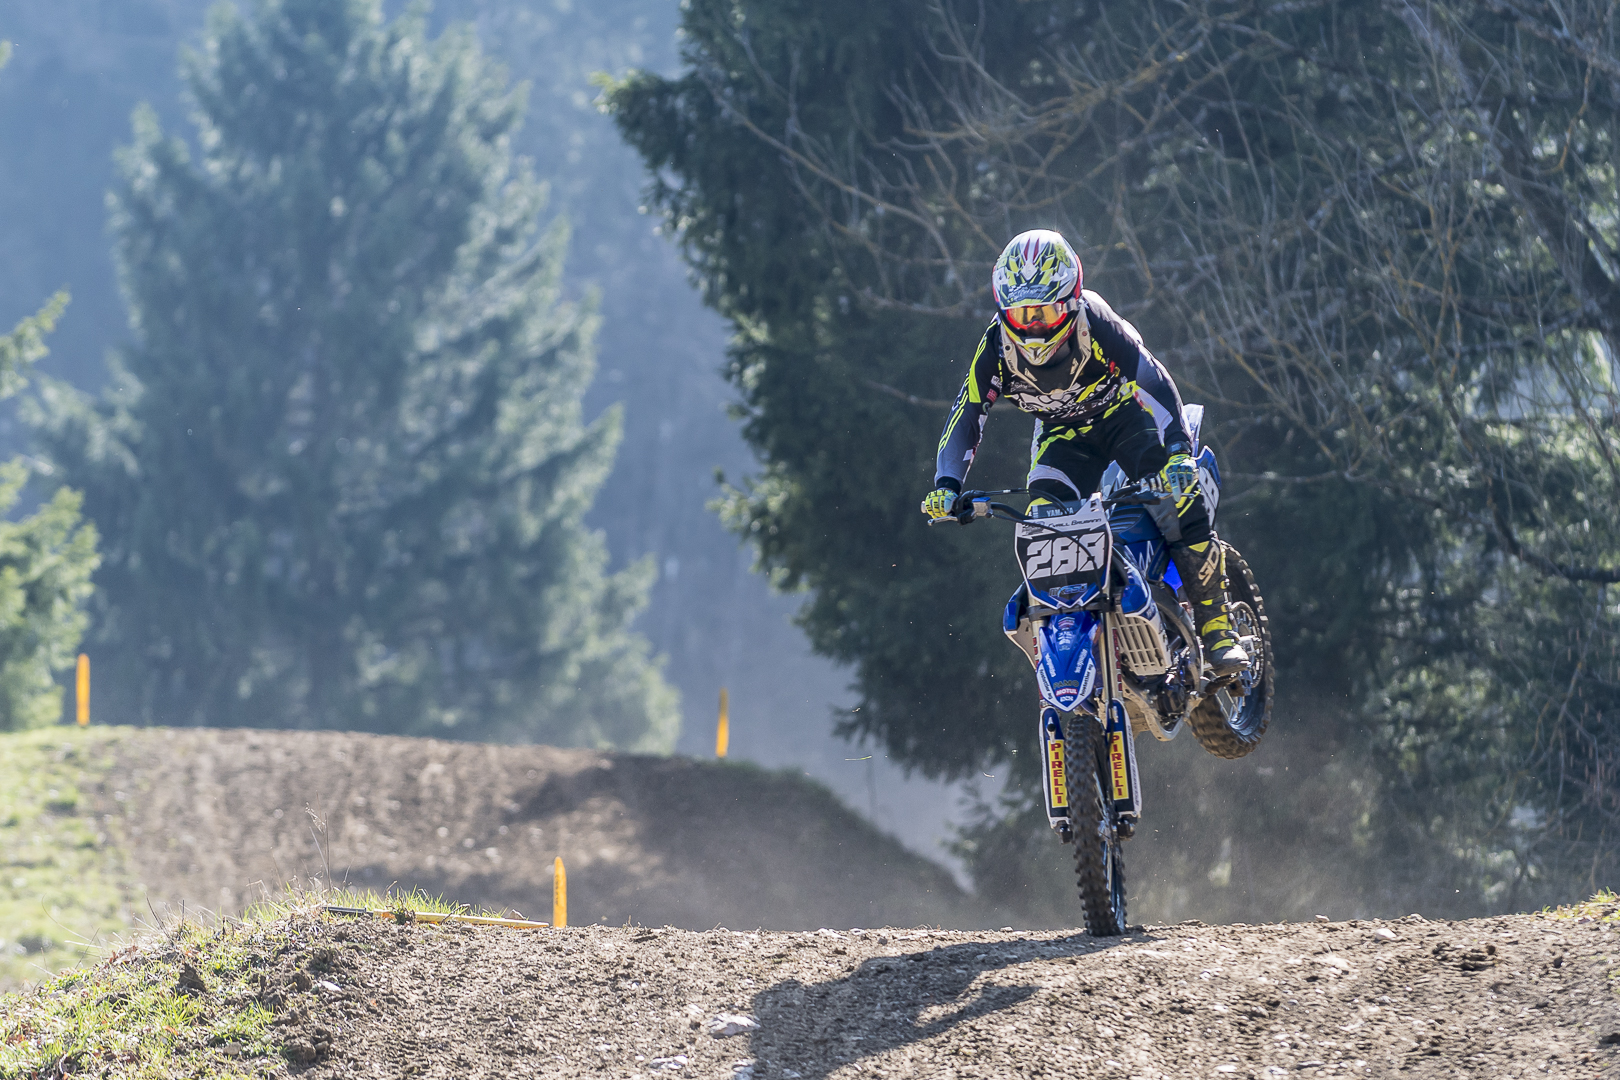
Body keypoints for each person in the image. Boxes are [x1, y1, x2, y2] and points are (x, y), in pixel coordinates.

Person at [921, 229, 1249, 677]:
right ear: (1003, 309)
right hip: (1063, 437)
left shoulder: (1095, 321)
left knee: (1180, 499)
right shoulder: (995, 346)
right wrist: (946, 485)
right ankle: (1071, 637)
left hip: (1126, 419)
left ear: (1071, 299)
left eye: (1044, 310)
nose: (1033, 325)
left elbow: (1153, 381)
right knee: (1041, 521)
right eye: (1021, 312)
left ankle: (1216, 627)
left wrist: (1177, 452)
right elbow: (967, 414)